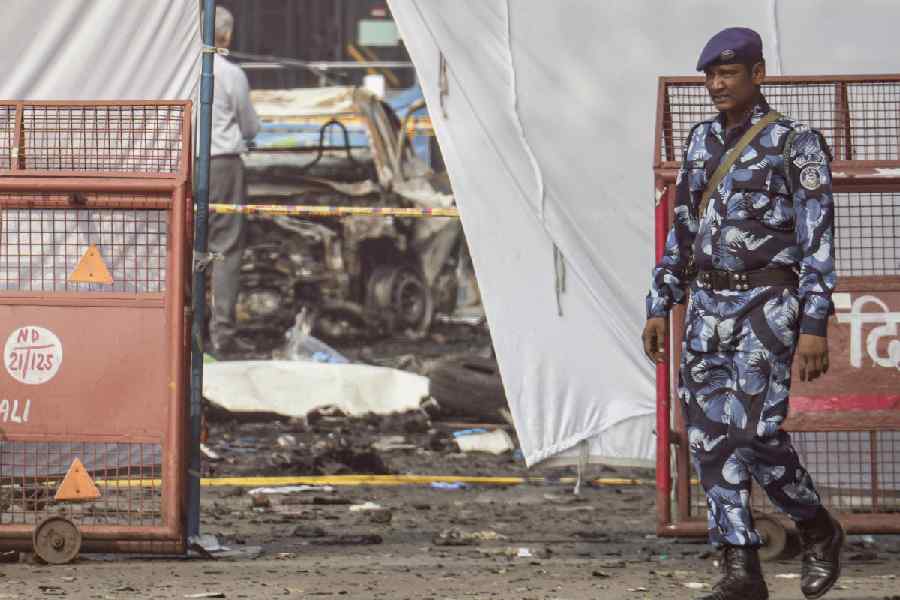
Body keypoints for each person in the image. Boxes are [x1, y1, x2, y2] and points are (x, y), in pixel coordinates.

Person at [642, 27, 843, 600]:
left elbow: (818, 243)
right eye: (710, 76)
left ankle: (815, 527)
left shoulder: (795, 144)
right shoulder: (702, 141)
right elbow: (681, 232)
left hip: (768, 307)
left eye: (728, 74)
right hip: (706, 308)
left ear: (758, 75)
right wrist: (661, 304)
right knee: (708, 439)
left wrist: (813, 325)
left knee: (755, 432)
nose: (716, 84)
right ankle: (739, 569)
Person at [208, 6, 260, 355]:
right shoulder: (230, 74)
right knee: (226, 248)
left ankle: (188, 329)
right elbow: (250, 127)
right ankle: (223, 334)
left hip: (186, 166)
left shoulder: (183, 72)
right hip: (224, 166)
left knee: (190, 246)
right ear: (226, 36)